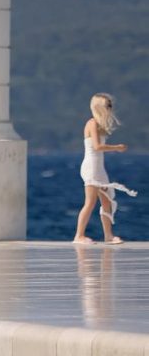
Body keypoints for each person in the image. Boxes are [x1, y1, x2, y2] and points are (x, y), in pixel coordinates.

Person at [73, 92, 136, 244]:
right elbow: (97, 147)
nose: (110, 108)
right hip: (91, 167)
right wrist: (117, 148)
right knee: (90, 202)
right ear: (99, 107)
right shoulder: (92, 123)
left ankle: (108, 235)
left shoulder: (99, 125)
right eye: (107, 105)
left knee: (106, 201)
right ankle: (79, 236)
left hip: (98, 168)